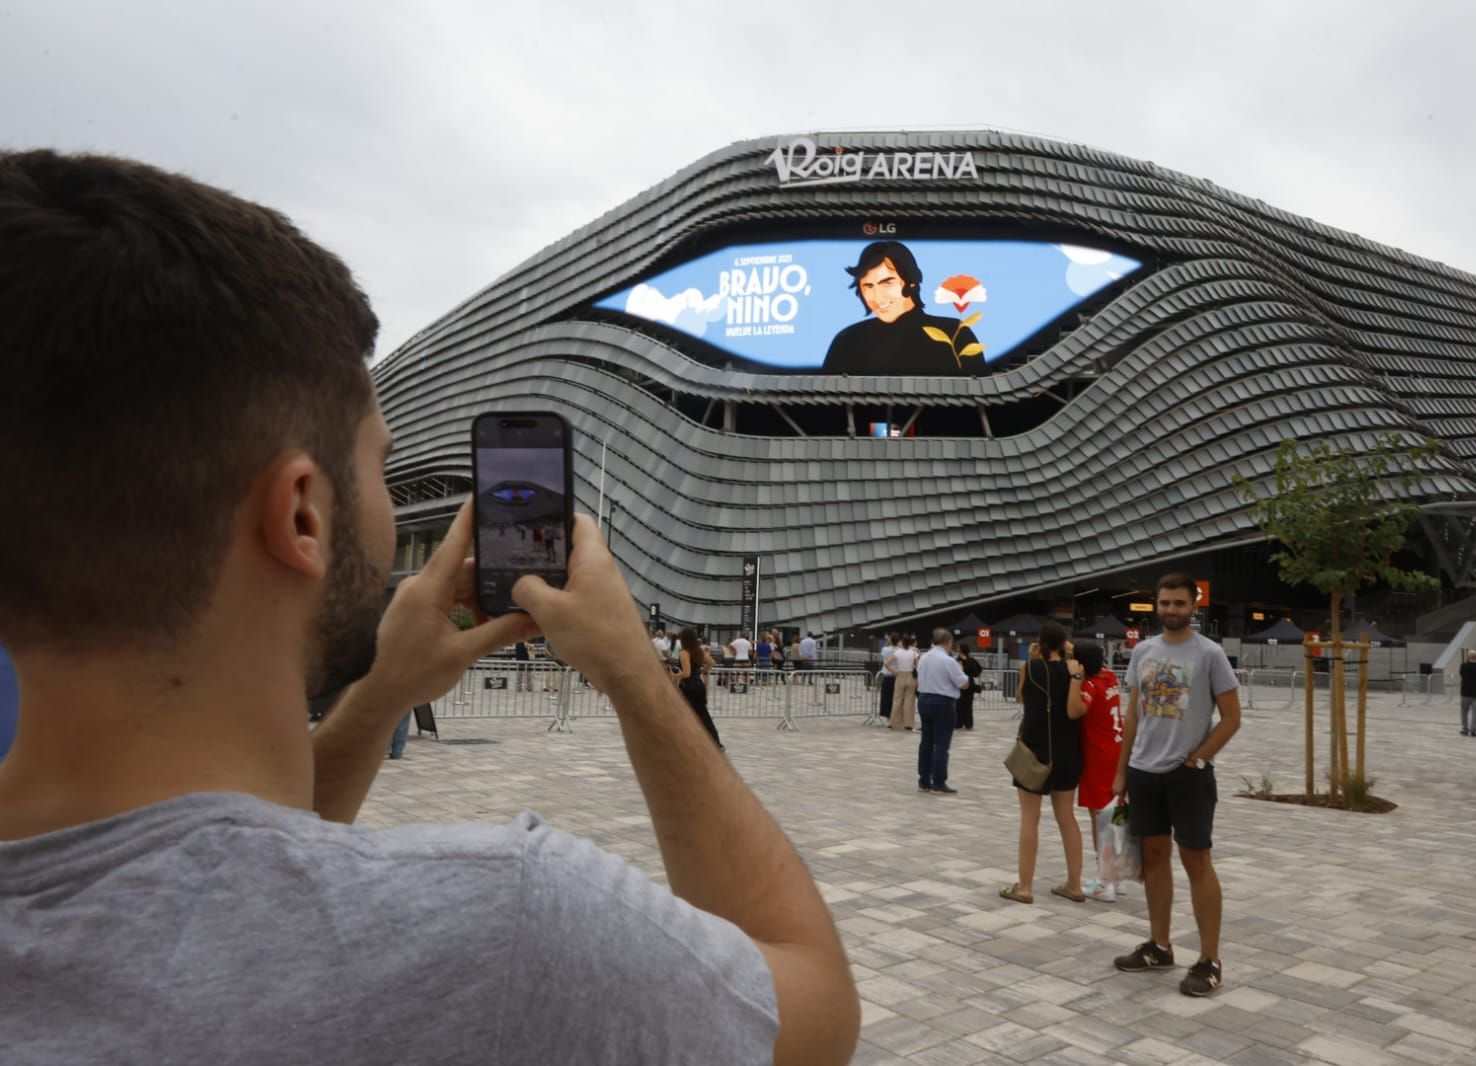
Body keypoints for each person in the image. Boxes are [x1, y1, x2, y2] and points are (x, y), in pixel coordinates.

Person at [0, 150, 859, 1064]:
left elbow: (221, 877)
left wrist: (381, 694)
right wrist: (635, 679)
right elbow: (812, 1011)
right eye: (378, 462)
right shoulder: (503, 927)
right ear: (302, 514)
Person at [1112, 573, 1242, 998]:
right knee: (1153, 858)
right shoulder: (1143, 651)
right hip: (1144, 771)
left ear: (1193, 606)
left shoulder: (1210, 654)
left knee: (1196, 860)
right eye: (1165, 602)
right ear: (1156, 604)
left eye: (1179, 603)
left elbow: (1232, 718)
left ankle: (1209, 960)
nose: (1171, 610)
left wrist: (1198, 758)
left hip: (1188, 775)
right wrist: (1122, 770)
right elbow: (1133, 715)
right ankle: (1160, 945)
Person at [1000, 622, 1085, 904]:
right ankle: (1074, 884)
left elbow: (1020, 695)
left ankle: (1025, 887)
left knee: (1030, 819)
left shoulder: (1030, 667)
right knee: (1067, 817)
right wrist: (1069, 652)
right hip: (1068, 751)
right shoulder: (1075, 670)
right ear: (1063, 643)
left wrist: (1035, 657)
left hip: (1034, 751)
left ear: (1039, 641)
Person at [820, 242, 990, 376]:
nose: (878, 296)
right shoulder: (848, 340)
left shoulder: (955, 333)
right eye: (868, 286)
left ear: (912, 281)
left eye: (887, 283)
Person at [1071, 643, 1124, 902]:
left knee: (1100, 819)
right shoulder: (1110, 677)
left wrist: (1074, 677)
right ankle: (1117, 874)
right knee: (1116, 816)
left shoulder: (1090, 686)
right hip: (1117, 750)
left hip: (1098, 755)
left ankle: (1105, 882)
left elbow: (1075, 711)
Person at [914, 629, 969, 795]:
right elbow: (963, 684)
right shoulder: (948, 661)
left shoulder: (924, 658)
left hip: (924, 699)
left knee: (926, 742)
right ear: (948, 642)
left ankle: (924, 781)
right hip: (943, 702)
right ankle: (938, 782)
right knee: (941, 744)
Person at [672, 627, 721, 750]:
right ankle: (716, 742)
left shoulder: (684, 653)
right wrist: (703, 671)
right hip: (699, 686)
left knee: (682, 714)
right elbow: (712, 663)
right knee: (703, 715)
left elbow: (686, 673)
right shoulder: (700, 651)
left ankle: (684, 741)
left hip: (688, 687)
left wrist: (674, 675)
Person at [887, 635, 919, 730]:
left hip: (900, 675)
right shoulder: (914, 653)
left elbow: (887, 664)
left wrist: (894, 672)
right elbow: (918, 666)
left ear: (902, 642)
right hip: (911, 676)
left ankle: (892, 722)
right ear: (910, 643)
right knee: (909, 701)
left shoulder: (898, 652)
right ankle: (908, 724)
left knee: (897, 700)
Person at [955, 643, 983, 730]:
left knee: (968, 705)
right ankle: (958, 723)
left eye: (958, 648)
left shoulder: (970, 660)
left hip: (969, 685)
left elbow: (978, 670)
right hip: (959, 685)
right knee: (958, 705)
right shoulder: (957, 660)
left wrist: (973, 673)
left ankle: (968, 724)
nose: (957, 649)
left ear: (962, 650)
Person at [1459, 650, 1476, 737]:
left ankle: (1465, 729)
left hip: (1466, 693)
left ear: (1468, 657)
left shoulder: (1464, 666)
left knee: (1464, 712)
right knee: (1475, 713)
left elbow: (1461, 674)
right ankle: (1473, 730)